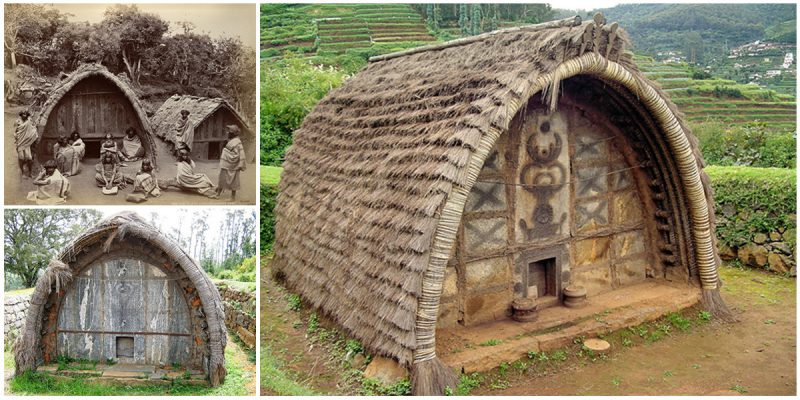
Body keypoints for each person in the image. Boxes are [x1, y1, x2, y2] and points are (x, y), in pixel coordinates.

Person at [214, 125, 246, 201]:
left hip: (234, 164)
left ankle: (232, 197)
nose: (227, 132)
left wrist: (240, 164)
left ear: (233, 133)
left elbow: (241, 154)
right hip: (226, 163)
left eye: (229, 132)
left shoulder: (237, 142)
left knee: (234, 180)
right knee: (222, 177)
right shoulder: (230, 140)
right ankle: (218, 193)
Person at [13, 110, 37, 179]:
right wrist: (16, 137)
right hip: (20, 142)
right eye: (23, 114)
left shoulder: (29, 121)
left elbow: (33, 128)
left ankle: (30, 173)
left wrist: (33, 134)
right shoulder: (17, 122)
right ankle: (22, 173)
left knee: (29, 158)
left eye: (26, 114)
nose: (24, 115)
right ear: (21, 114)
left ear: (27, 115)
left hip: (27, 142)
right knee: (21, 158)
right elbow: (15, 131)